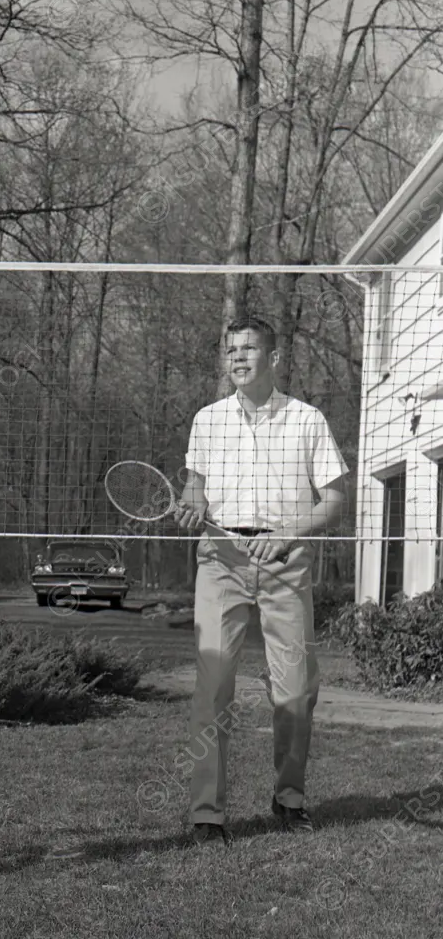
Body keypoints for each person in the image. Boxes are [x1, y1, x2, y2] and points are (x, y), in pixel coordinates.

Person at [173, 315, 348, 845]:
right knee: (213, 686)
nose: (238, 358)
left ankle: (288, 798)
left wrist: (288, 532)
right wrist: (190, 505)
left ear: (274, 357)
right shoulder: (207, 420)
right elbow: (195, 492)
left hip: (284, 557)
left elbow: (336, 502)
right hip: (221, 557)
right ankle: (208, 814)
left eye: (248, 348)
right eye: (230, 351)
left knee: (295, 689)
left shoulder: (307, 420)